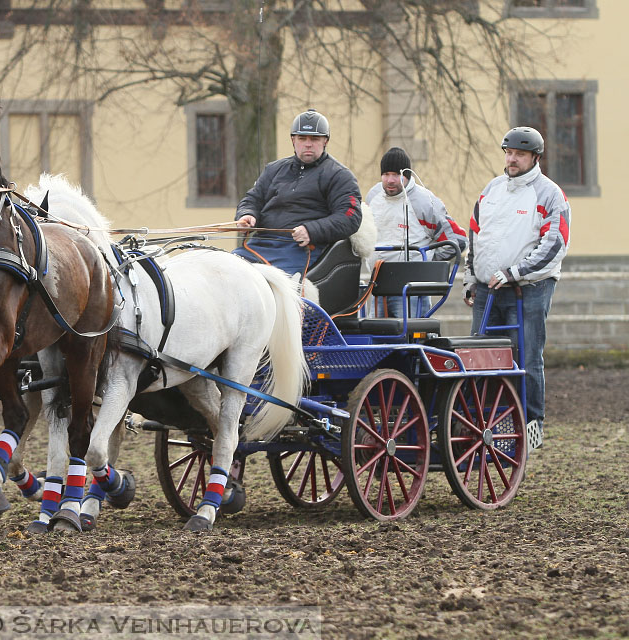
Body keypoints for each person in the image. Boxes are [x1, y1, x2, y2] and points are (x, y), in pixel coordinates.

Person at [464, 126, 571, 441]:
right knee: (479, 356)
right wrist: (472, 277)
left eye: (519, 154)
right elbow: (475, 233)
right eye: (508, 153)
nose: (512, 159)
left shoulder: (550, 194)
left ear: (535, 157)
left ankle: (530, 423)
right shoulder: (492, 189)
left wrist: (515, 272)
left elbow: (555, 244)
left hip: (529, 289)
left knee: (525, 356)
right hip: (487, 289)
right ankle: (482, 421)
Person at [234, 109, 362, 277]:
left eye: (314, 138)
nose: (308, 144)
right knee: (227, 270)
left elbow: (350, 216)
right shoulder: (273, 169)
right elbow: (253, 199)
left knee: (272, 281)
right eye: (302, 138)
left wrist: (311, 230)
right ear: (293, 140)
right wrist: (247, 214)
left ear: (325, 141)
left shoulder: (339, 175)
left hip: (301, 250)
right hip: (260, 244)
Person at [365, 147, 467, 318]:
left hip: (411, 290)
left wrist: (425, 263)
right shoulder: (373, 196)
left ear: (407, 175)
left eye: (396, 175)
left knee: (410, 341)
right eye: (386, 174)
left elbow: (458, 240)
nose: (390, 180)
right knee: (377, 340)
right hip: (377, 286)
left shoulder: (424, 202)